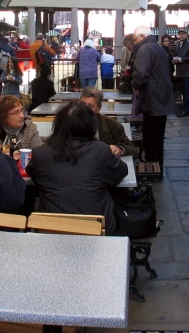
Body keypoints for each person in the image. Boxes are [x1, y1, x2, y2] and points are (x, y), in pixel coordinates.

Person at [26, 101, 127, 235]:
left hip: (51, 229)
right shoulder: (101, 151)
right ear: (90, 125)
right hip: (96, 228)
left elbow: (34, 176)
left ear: (58, 125)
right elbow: (120, 173)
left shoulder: (40, 154)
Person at [131, 26, 175, 178]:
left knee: (150, 137)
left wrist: (135, 86)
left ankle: (152, 170)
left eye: (136, 39)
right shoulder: (158, 47)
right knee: (158, 137)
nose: (135, 42)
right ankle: (158, 168)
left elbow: (141, 74)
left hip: (152, 98)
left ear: (142, 36)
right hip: (162, 97)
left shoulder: (145, 49)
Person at [80, 87, 138, 157]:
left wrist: (119, 149)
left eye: (90, 106)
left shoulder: (113, 125)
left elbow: (133, 149)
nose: (85, 109)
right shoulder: (68, 124)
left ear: (99, 108)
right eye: (82, 105)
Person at [174, 29, 189, 117]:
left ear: (186, 35)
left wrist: (180, 59)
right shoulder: (178, 44)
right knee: (182, 90)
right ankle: (186, 107)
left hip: (187, 72)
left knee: (187, 91)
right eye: (180, 34)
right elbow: (176, 54)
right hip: (180, 71)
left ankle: (186, 109)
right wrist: (175, 59)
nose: (181, 36)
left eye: (183, 34)